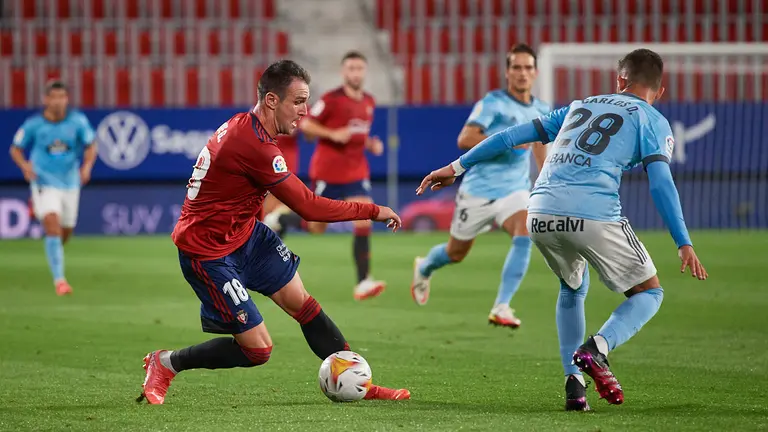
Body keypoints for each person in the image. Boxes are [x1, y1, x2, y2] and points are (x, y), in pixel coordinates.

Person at [415, 48, 707, 411]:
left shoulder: (578, 106)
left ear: (620, 80)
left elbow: (508, 137)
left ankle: (575, 385)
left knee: (572, 286)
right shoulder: (652, 119)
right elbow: (661, 183)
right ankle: (597, 349)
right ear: (659, 91)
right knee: (650, 293)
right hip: (593, 213)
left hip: (538, 212)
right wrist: (683, 242)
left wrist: (456, 167)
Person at [138, 60, 410, 405]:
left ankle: (359, 382)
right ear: (271, 100)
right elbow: (309, 207)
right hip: (208, 251)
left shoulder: (249, 128)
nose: (304, 111)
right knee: (259, 350)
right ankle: (165, 363)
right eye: (298, 102)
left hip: (246, 235)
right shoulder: (254, 145)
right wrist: (372, 210)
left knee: (304, 304)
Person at [410, 44, 549, 329]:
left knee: (525, 232)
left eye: (527, 67)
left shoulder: (541, 109)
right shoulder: (493, 102)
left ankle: (502, 305)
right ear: (507, 72)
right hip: (478, 191)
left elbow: (539, 148)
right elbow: (465, 138)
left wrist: (544, 182)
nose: (522, 73)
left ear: (535, 72)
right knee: (455, 253)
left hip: (515, 192)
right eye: (516, 67)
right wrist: (507, 140)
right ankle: (424, 267)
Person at [297, 50, 386, 301]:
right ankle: (282, 221)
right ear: (343, 72)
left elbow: (357, 132)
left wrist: (370, 144)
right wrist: (332, 134)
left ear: (365, 72)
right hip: (329, 172)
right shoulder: (331, 99)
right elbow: (306, 125)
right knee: (316, 227)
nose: (355, 73)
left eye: (359, 68)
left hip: (356, 171)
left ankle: (363, 281)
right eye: (351, 68)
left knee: (364, 216)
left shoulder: (369, 101)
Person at [9, 79, 97, 296]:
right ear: (45, 100)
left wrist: (86, 167)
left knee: (65, 232)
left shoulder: (77, 121)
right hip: (43, 182)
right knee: (53, 227)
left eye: (62, 97)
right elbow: (15, 148)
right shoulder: (34, 125)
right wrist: (25, 167)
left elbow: (91, 144)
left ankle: (43, 224)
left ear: (66, 99)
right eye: (54, 97)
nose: (58, 102)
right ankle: (60, 281)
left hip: (70, 183)